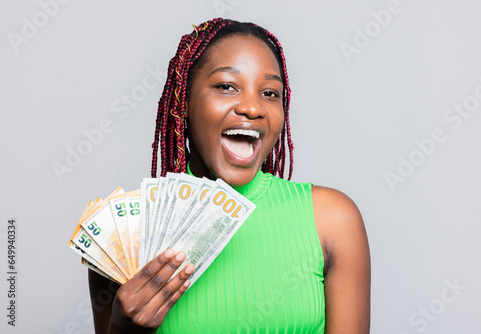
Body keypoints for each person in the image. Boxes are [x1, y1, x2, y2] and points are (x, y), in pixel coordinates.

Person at [89, 18, 371, 333]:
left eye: (270, 93)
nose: (253, 108)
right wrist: (121, 328)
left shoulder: (332, 219)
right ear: (184, 103)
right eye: (226, 86)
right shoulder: (122, 236)